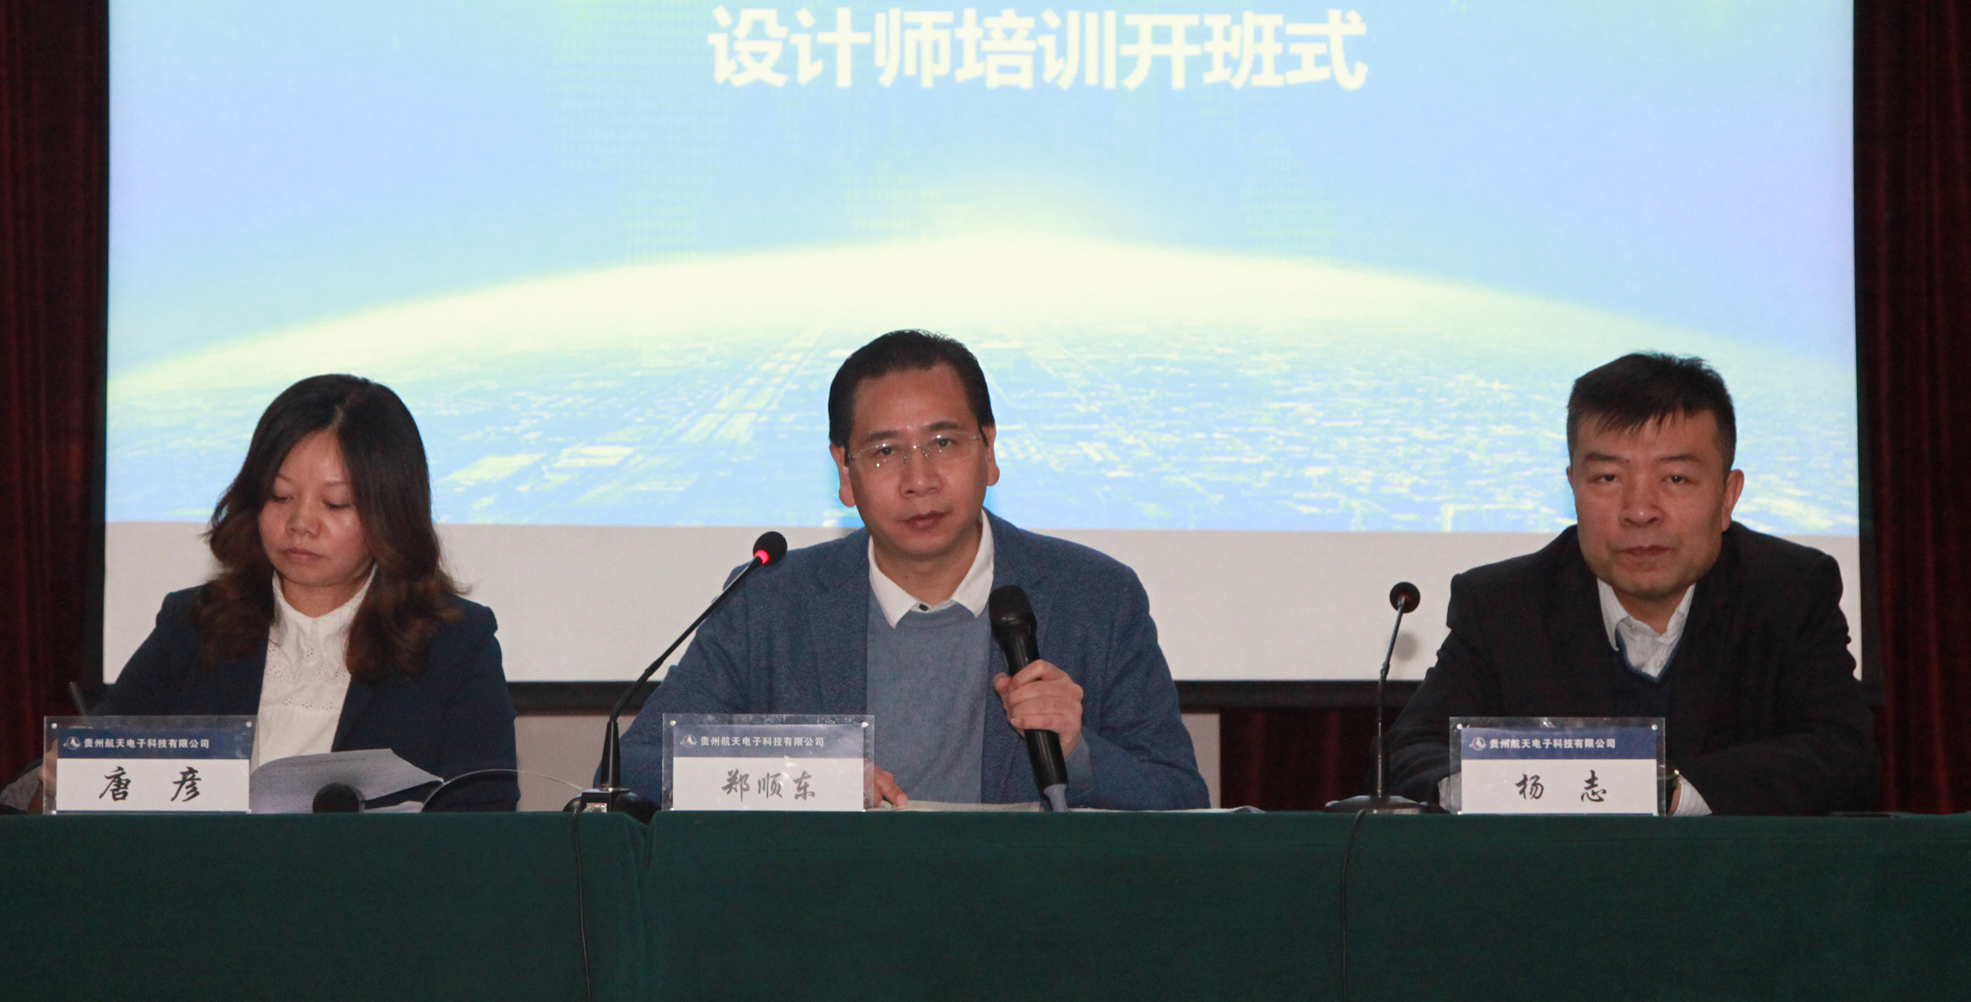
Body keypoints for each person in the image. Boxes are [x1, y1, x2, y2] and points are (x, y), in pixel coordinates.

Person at [617, 330, 1207, 809]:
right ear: (845, 474)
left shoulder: (1096, 596)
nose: (919, 479)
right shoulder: (770, 602)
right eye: (884, 453)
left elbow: (1181, 799)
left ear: (990, 450)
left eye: (944, 444)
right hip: (836, 910)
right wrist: (808, 779)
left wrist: (1077, 751)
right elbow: (634, 764)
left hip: (1028, 912)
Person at [1386, 352, 1880, 816]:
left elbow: (1842, 753)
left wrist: (1670, 792)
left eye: (1676, 479)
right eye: (1607, 478)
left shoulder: (1788, 590)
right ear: (1573, 487)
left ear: (1728, 496)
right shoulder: (1504, 604)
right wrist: (1514, 787)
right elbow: (1410, 752)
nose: (1640, 511)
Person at [100, 374, 518, 807]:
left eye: (335, 504)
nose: (301, 523)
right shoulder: (194, 624)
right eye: (280, 496)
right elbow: (94, 770)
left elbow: (485, 817)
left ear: (390, 512)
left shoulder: (455, 644)